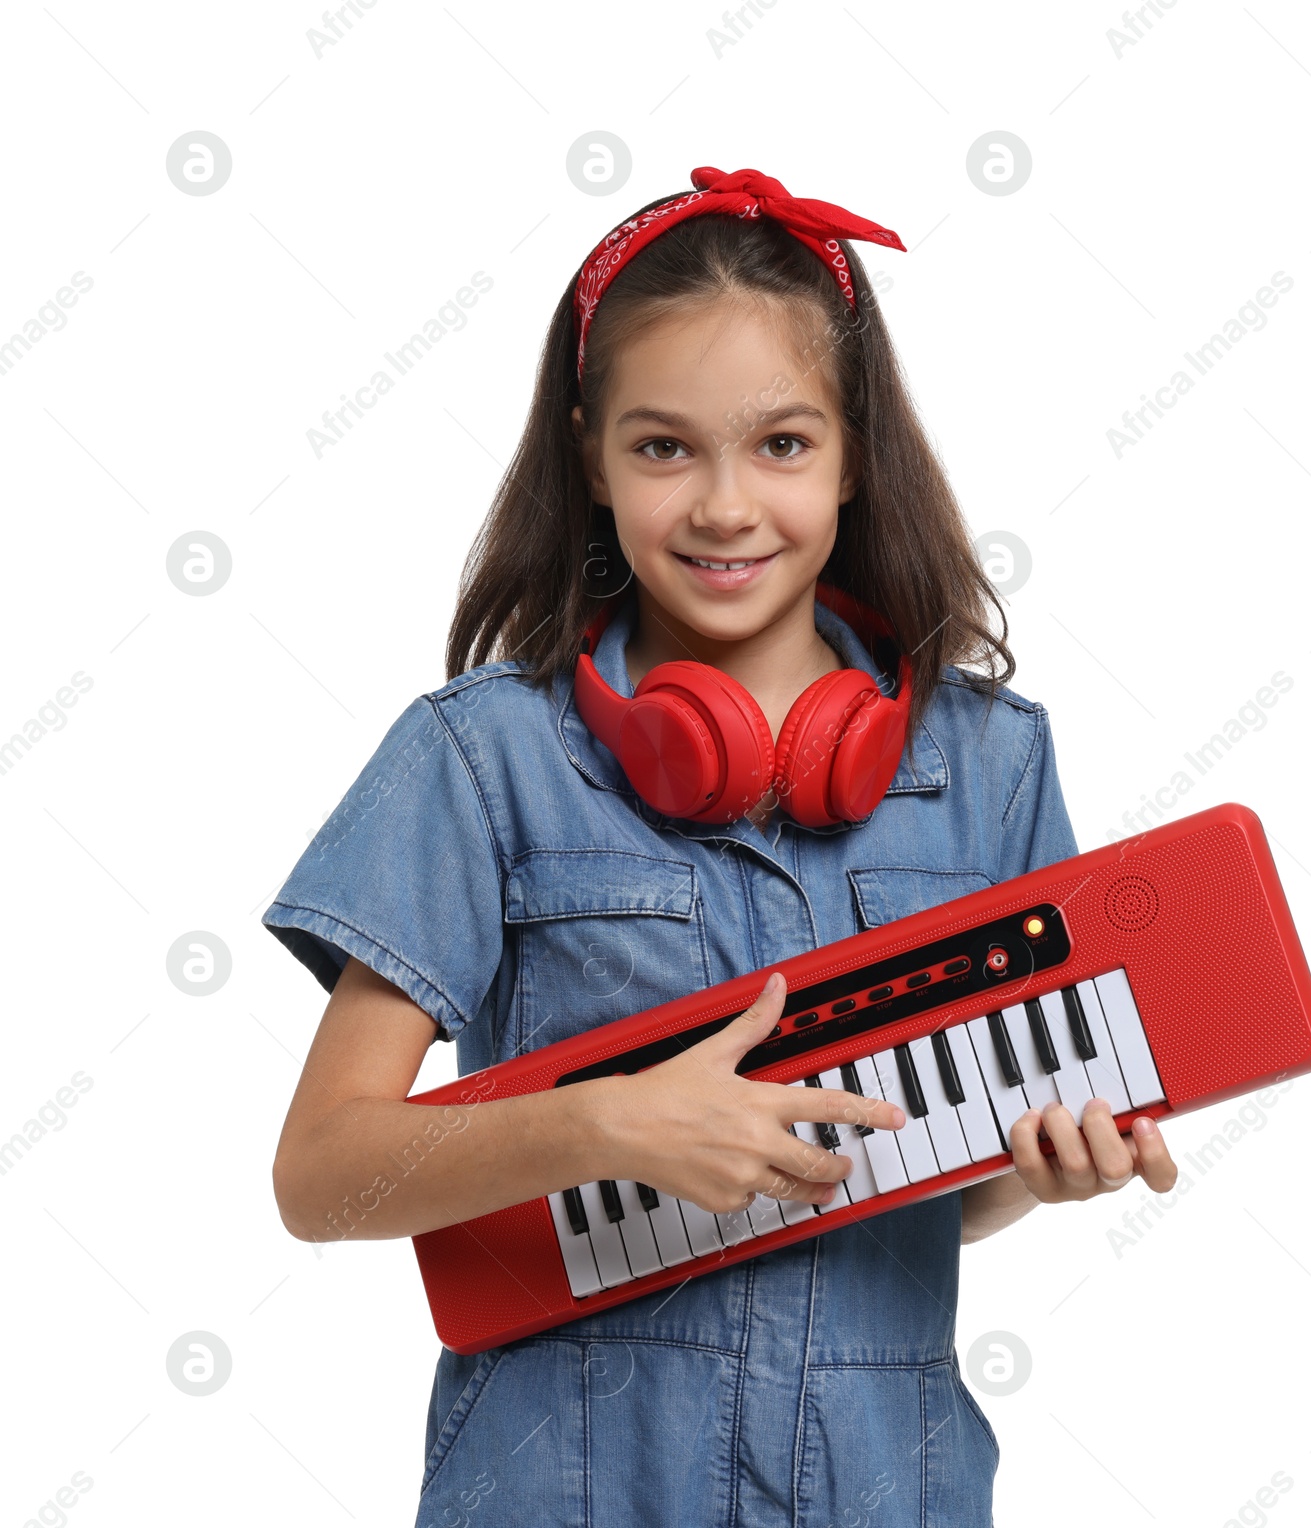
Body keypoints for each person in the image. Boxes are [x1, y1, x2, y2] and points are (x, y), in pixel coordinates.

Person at [265, 165, 1178, 1527]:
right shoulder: (477, 759)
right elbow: (325, 1175)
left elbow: (932, 1189)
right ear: (589, 453)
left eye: (783, 444)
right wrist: (603, 1126)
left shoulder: (993, 763)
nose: (725, 506)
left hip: (891, 1485)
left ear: (855, 449)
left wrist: (1034, 1174)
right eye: (663, 446)